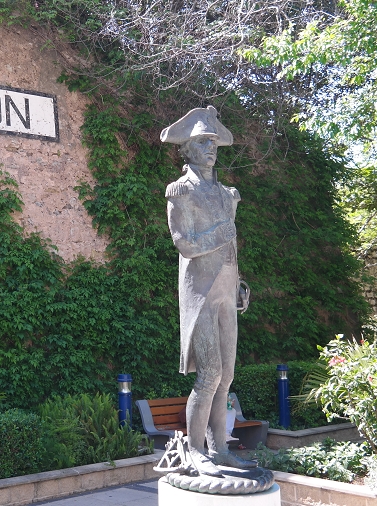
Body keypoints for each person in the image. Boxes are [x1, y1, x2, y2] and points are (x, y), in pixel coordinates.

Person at [161, 106, 257, 476]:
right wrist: (220, 234)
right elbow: (185, 244)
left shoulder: (227, 194)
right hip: (200, 295)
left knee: (226, 376)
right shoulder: (181, 192)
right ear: (186, 150)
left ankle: (221, 450)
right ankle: (196, 451)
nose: (210, 148)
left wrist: (237, 284)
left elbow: (231, 248)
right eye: (202, 142)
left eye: (213, 141)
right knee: (209, 375)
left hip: (226, 294)